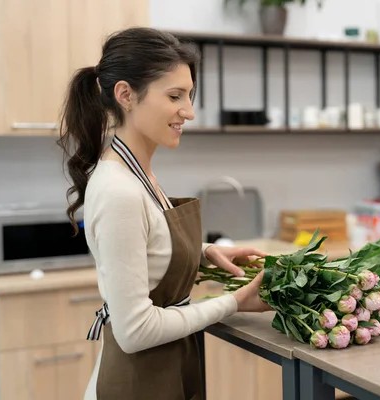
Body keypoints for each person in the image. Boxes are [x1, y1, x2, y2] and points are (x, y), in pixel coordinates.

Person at [57, 27, 272, 400]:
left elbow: (147, 241)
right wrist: (233, 302)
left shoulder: (139, 174)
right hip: (137, 382)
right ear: (126, 95)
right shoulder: (118, 190)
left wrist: (204, 252)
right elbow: (136, 330)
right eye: (175, 96)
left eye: (189, 95)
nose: (188, 111)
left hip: (166, 369)